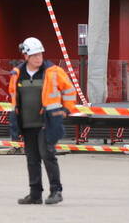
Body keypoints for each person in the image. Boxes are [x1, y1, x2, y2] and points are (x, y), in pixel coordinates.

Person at [7, 37, 78, 205]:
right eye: (34, 55)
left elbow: (69, 90)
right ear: (26, 56)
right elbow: (14, 98)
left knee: (48, 155)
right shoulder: (18, 73)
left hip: (47, 122)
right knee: (31, 159)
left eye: (40, 54)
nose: (38, 58)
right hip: (26, 123)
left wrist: (66, 109)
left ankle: (56, 191)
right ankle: (35, 194)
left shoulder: (53, 71)